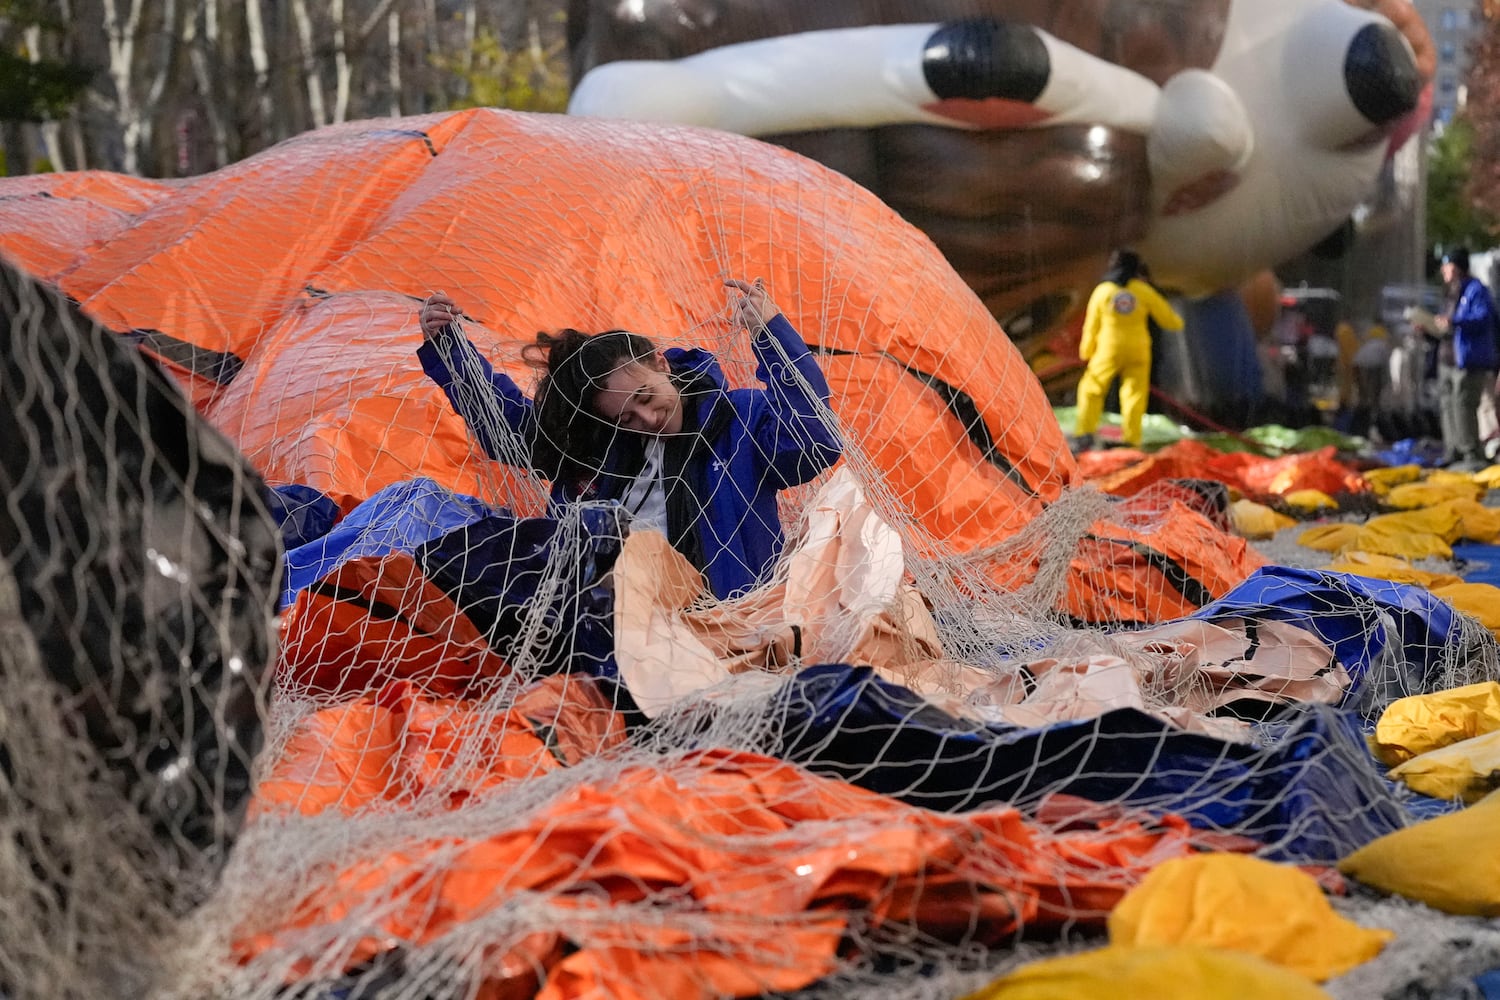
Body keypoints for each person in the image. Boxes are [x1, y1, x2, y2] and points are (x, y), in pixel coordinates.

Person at [416, 278, 844, 600]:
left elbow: (813, 443)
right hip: (610, 617)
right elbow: (509, 429)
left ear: (662, 364)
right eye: (626, 417)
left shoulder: (739, 417)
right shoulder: (598, 446)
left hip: (726, 619)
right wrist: (451, 349)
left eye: (646, 397)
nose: (647, 418)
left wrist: (772, 336)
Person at [1073, 249, 1184, 450]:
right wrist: (1177, 322)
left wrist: (1086, 351)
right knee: (1134, 393)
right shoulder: (1142, 290)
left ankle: (1085, 433)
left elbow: (1091, 324)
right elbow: (1168, 318)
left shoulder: (1103, 291)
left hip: (1109, 348)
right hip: (1138, 349)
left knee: (1092, 388)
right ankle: (1132, 439)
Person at [1433, 247, 1500, 469]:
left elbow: (1482, 317)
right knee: (1447, 404)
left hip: (1468, 359)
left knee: (1464, 405)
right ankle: (1453, 450)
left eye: (1448, 264)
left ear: (1458, 267)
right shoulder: (1450, 292)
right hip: (1447, 357)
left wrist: (1455, 321)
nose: (1443, 269)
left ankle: (1470, 452)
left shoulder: (1475, 290)